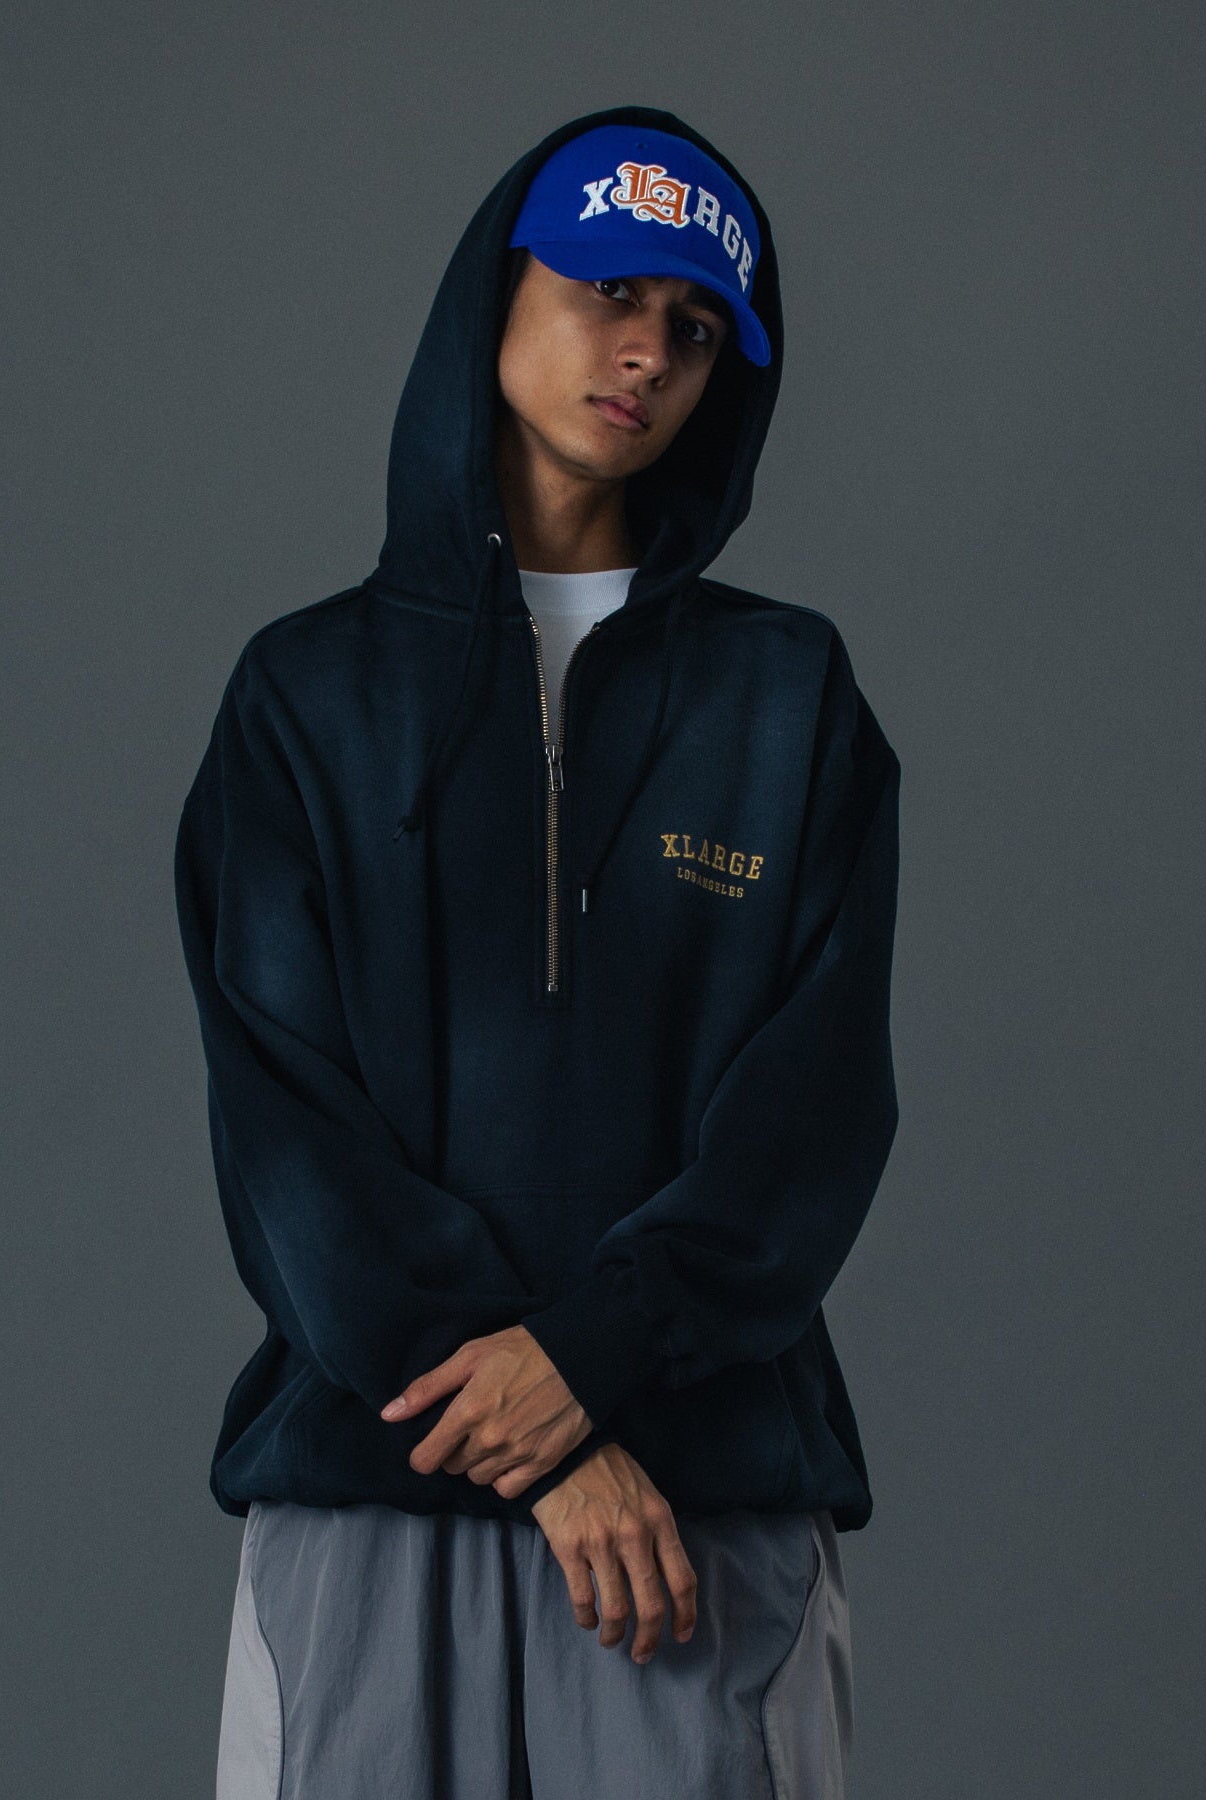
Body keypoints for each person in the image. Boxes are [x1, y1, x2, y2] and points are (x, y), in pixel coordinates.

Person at [174, 102, 901, 1800]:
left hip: (697, 1518)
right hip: (374, 1492)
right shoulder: (306, 700)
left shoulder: (788, 700)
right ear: (494, 293)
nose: (645, 352)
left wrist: (594, 1360)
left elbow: (813, 1115)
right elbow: (283, 1125)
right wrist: (542, 1437)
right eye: (609, 289)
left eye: (696, 330)